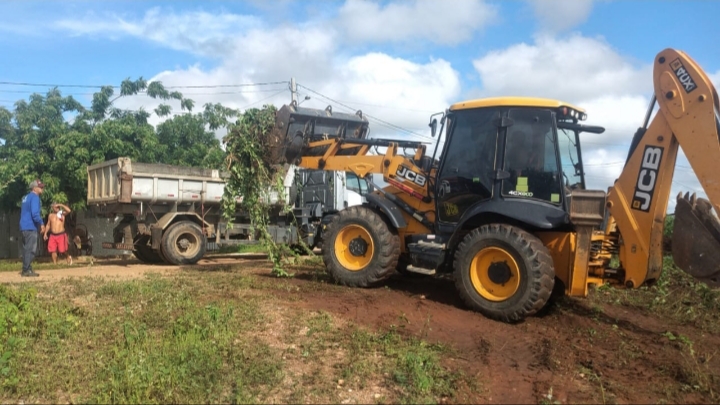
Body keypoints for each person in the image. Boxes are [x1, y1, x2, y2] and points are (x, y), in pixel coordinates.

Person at [19, 179, 46, 277]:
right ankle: (26, 270)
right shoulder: (35, 197)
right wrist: (41, 223)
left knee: (26, 248)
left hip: (23, 226)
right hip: (30, 226)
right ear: (34, 188)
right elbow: (35, 214)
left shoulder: (25, 197)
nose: (42, 188)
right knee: (31, 249)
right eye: (40, 187)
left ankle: (27, 268)